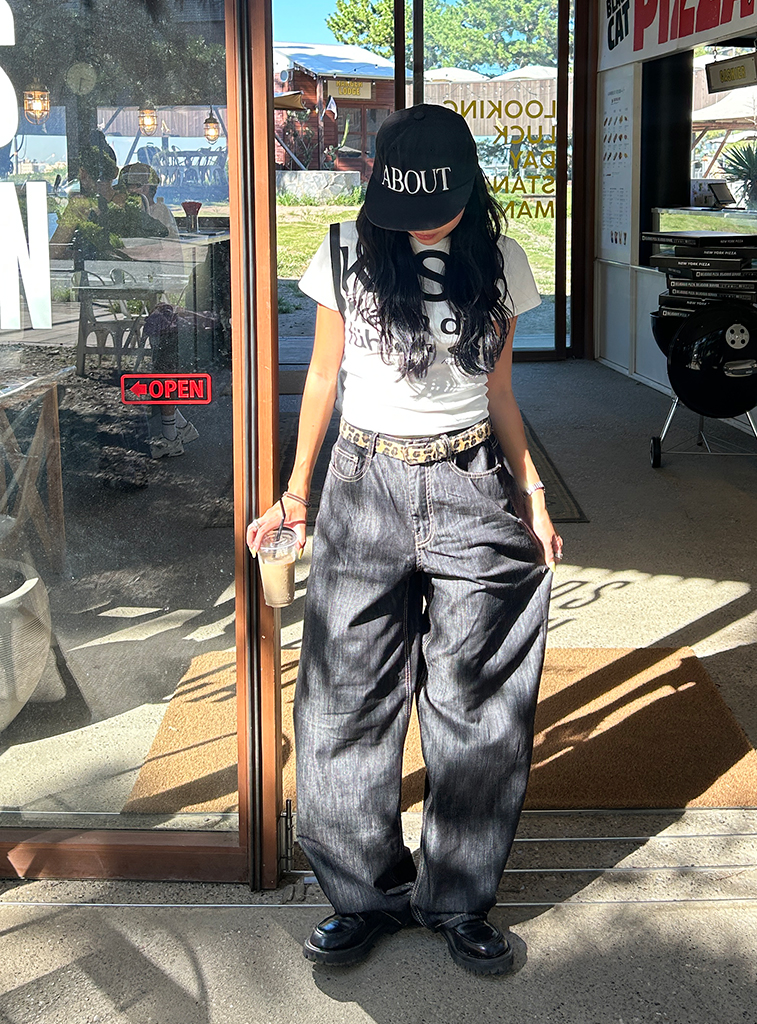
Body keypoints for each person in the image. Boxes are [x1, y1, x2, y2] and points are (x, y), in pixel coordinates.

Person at [247, 104, 562, 975]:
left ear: (469, 187)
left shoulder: (503, 260)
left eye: (438, 206)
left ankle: (458, 898)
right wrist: (297, 493)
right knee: (344, 695)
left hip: (470, 480)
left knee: (480, 698)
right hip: (363, 481)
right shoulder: (343, 249)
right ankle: (364, 896)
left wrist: (533, 495)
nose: (422, 223)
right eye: (406, 205)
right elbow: (321, 377)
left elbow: (500, 393)